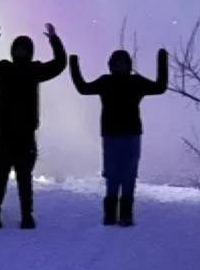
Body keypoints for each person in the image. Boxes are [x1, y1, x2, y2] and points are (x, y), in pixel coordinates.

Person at [0, 22, 67, 229]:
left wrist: (54, 39)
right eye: (17, 48)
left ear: (30, 52)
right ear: (13, 50)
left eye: (23, 48)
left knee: (24, 178)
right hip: (5, 133)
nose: (20, 51)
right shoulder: (4, 69)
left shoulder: (34, 70)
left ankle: (26, 215)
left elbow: (60, 63)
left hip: (25, 134)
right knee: (1, 177)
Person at [69, 46, 169, 226]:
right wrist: (73, 64)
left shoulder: (135, 82)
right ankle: (109, 215)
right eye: (117, 63)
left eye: (123, 63)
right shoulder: (106, 81)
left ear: (128, 65)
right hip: (111, 135)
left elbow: (160, 87)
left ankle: (125, 215)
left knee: (129, 175)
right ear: (111, 65)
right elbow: (83, 88)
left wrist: (162, 60)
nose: (120, 66)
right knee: (113, 175)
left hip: (131, 135)